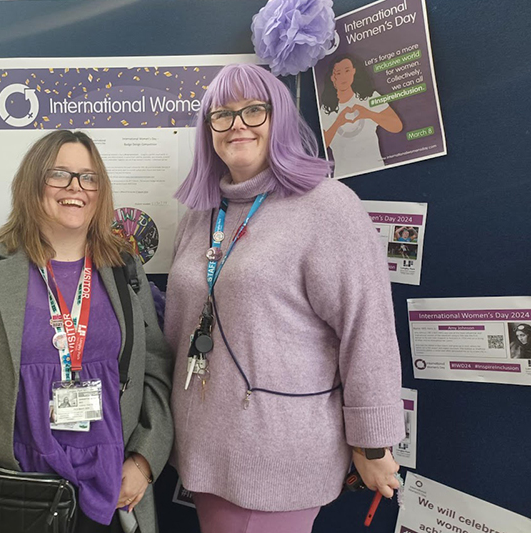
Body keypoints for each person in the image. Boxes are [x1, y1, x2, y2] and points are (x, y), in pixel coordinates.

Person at [165, 63, 405, 533]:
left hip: (277, 455)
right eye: (223, 114)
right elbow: (179, 327)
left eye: (254, 111)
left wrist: (372, 444)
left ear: (280, 120)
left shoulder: (328, 205)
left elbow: (368, 330)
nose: (238, 125)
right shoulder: (199, 215)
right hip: (203, 448)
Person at [0, 130, 173, 533]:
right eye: (60, 175)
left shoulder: (124, 269)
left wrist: (144, 461)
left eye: (88, 177)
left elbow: (157, 370)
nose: (76, 188)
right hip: (13, 493)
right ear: (33, 183)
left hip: (110, 492)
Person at [319, 54, 403, 178]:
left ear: (354, 71)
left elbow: (397, 126)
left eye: (347, 71)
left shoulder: (370, 96)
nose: (343, 77)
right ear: (332, 77)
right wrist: (338, 122)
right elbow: (322, 145)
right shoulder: (326, 108)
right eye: (338, 73)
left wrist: (368, 114)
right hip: (344, 176)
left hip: (376, 171)